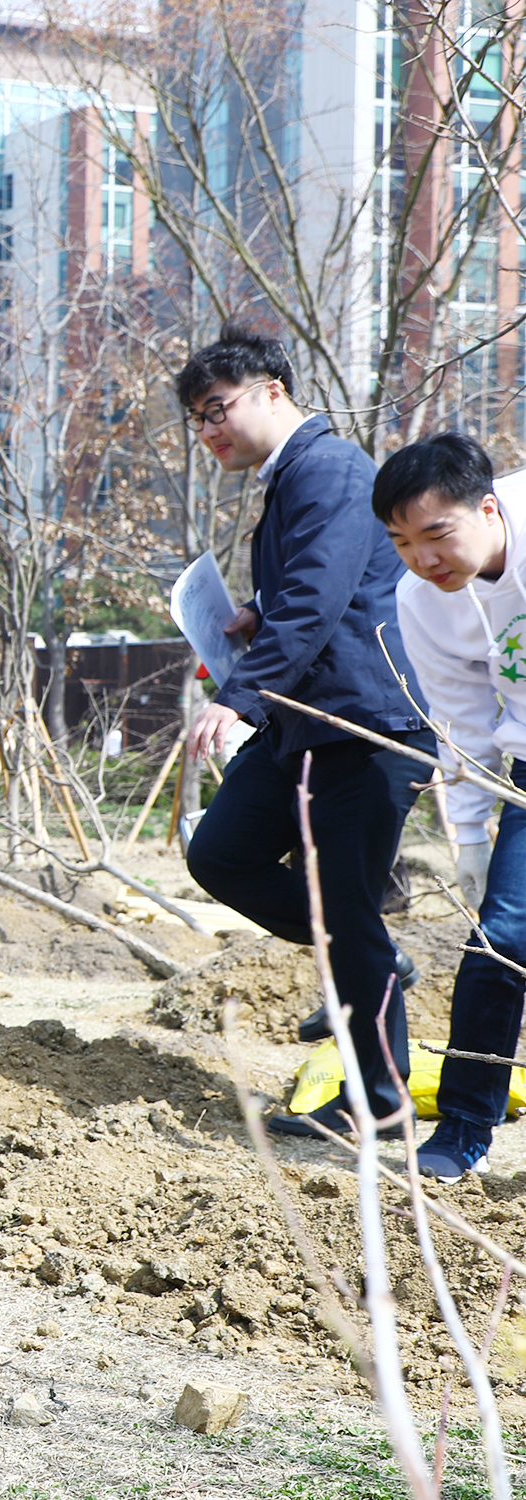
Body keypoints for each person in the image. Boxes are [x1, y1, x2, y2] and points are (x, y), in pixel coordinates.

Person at [176, 323, 432, 1138]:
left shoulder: (331, 470)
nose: (209, 430)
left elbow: (319, 604)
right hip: (308, 725)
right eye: (198, 420)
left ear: (273, 392)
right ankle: (373, 958)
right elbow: (309, 593)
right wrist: (251, 614)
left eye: (217, 410)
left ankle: (381, 1102)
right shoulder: (292, 479)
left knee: (347, 904)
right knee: (221, 852)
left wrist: (237, 697)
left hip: (363, 725)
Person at [375, 432, 526, 1180]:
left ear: (489, 509)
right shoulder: (421, 602)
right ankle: (463, 1128)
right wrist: (469, 839)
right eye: (403, 543)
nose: (423, 559)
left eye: (437, 534)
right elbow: (464, 723)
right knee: (500, 940)